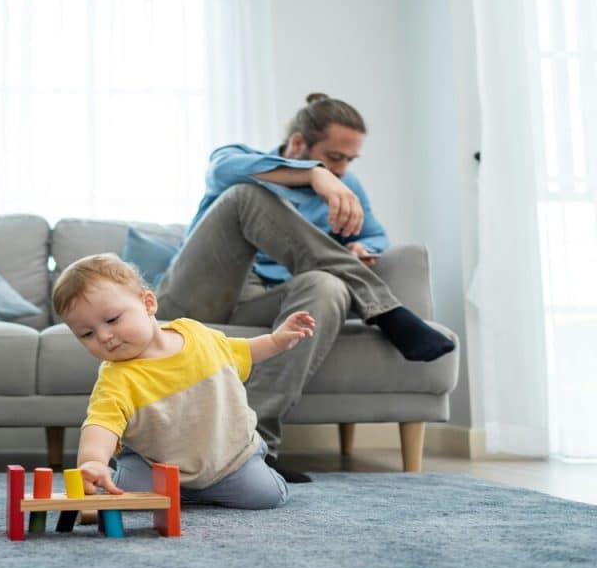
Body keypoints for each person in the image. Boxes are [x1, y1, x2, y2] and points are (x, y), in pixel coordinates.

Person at [155, 93, 455, 483]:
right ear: (299, 143)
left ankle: (251, 448)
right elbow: (222, 169)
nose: (341, 170)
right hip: (199, 296)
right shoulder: (239, 159)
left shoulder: (346, 185)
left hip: (267, 300)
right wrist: (313, 174)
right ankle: (385, 309)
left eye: (349, 161)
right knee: (246, 196)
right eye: (334, 158)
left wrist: (362, 247)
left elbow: (376, 235)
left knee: (328, 285)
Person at [53, 253, 316, 510]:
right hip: (155, 466)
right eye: (87, 334)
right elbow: (101, 424)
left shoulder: (194, 333)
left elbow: (237, 351)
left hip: (228, 461)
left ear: (148, 304)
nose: (104, 336)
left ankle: (250, 469)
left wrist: (276, 341)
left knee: (266, 497)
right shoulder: (115, 378)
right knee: (127, 497)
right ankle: (163, 488)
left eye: (112, 320)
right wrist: (93, 462)